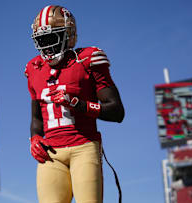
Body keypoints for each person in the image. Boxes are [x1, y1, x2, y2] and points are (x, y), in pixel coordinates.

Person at [25, 5, 125, 203]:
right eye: (42, 40)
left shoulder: (87, 59)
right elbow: (37, 117)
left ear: (68, 35)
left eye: (52, 39)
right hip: (51, 153)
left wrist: (79, 105)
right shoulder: (33, 68)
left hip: (84, 146)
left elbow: (117, 111)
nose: (47, 47)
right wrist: (35, 138)